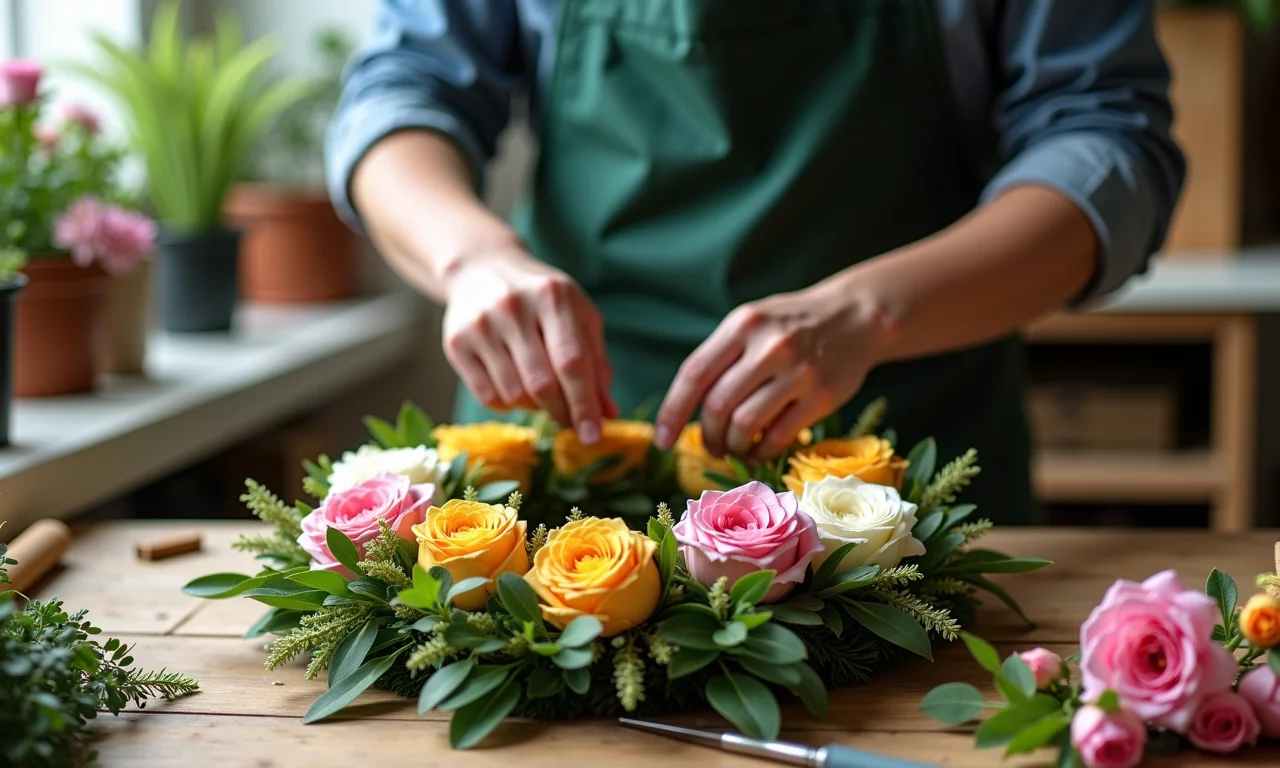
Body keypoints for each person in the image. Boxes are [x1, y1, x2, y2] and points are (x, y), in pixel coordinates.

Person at [325, 0, 1185, 524]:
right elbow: (406, 87)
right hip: (557, 442)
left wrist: (869, 313)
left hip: (896, 463)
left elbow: (1107, 147)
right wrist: (472, 257)